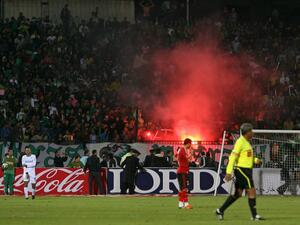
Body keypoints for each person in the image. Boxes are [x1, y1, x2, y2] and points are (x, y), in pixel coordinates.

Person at [216, 123, 264, 221]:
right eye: (251, 131)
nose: (253, 132)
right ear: (247, 132)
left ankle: (220, 210)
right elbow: (232, 157)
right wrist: (228, 172)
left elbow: (246, 156)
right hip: (242, 170)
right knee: (251, 190)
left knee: (237, 193)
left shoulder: (246, 142)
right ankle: (254, 216)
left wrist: (255, 160)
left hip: (246, 170)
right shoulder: (240, 142)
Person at [177, 138, 193, 209]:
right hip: (182, 171)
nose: (191, 145)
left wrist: (190, 155)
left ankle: (180, 204)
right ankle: (186, 204)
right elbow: (188, 159)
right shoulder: (182, 149)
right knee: (184, 188)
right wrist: (191, 154)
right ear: (188, 143)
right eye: (190, 144)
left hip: (183, 171)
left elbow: (188, 160)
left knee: (182, 188)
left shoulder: (183, 150)